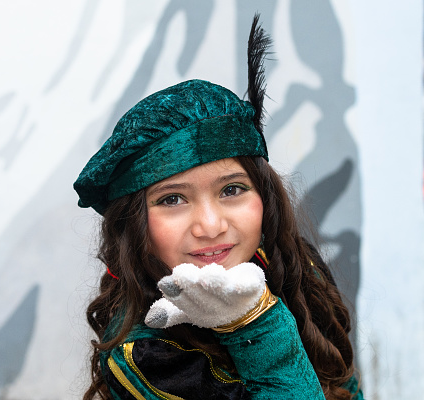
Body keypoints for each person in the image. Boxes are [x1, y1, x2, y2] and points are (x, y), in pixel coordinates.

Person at [74, 16, 363, 400]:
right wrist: (255, 324)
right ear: (135, 224)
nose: (210, 225)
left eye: (232, 189)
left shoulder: (290, 263)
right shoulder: (145, 357)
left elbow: (344, 383)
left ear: (265, 197)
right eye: (172, 199)